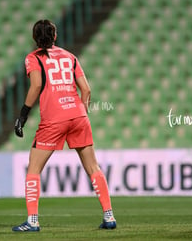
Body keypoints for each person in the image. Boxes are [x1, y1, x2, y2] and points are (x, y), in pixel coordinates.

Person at [12, 19, 116, 232]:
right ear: (55, 36)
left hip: (54, 119)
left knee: (34, 167)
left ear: (34, 38)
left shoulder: (33, 58)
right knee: (93, 167)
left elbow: (37, 85)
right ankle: (109, 216)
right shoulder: (70, 56)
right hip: (78, 115)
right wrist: (81, 114)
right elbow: (86, 90)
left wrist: (23, 115)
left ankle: (32, 221)